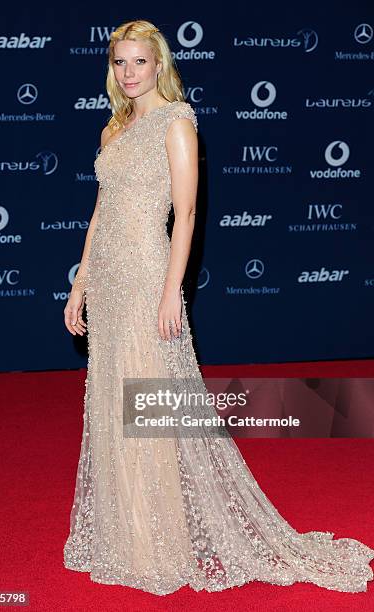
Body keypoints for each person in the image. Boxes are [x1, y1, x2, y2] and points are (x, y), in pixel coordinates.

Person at [62, 19, 374, 596]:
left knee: (149, 406)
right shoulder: (112, 131)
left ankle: (160, 545)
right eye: (121, 62)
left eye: (140, 62)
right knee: (112, 401)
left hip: (147, 276)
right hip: (106, 282)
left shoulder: (177, 124)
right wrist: (81, 284)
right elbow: (100, 213)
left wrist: (169, 291)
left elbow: (185, 216)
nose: (130, 74)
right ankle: (126, 534)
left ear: (160, 64)